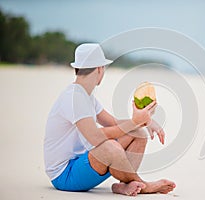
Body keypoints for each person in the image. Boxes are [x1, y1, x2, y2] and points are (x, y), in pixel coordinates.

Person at [44, 43, 176, 196]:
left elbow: (113, 123)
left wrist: (144, 121)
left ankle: (125, 185)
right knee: (110, 147)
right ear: (100, 69)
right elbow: (94, 137)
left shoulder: (85, 95)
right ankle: (144, 185)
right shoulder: (74, 97)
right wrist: (134, 121)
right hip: (64, 175)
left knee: (137, 133)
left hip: (82, 161)